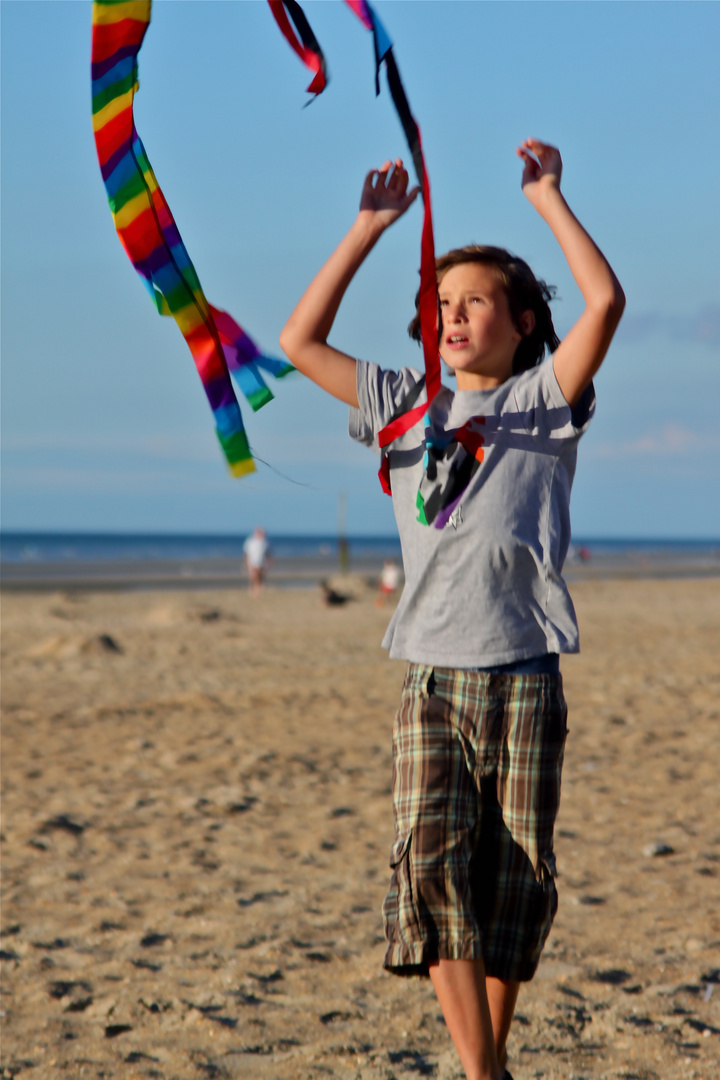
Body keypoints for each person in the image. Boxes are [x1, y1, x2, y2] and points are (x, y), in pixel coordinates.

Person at [279, 139, 624, 1080]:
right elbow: (298, 342)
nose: (454, 315)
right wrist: (366, 229)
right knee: (432, 864)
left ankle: (490, 1059)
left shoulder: (544, 403)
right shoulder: (402, 405)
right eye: (440, 306)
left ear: (518, 323)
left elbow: (604, 305)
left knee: (512, 888)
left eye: (474, 301)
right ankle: (482, 1074)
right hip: (430, 677)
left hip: (524, 675)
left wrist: (550, 200)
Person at [242, 527, 270, 595]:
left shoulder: (265, 543)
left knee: (260, 577)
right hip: (252, 562)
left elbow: (268, 554)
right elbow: (246, 553)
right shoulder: (250, 541)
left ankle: (259, 590)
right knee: (253, 576)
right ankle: (251, 590)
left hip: (261, 563)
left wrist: (269, 563)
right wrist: (245, 562)